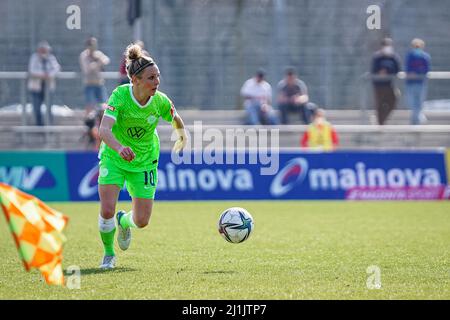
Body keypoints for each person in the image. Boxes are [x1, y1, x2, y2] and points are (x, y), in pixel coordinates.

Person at [97, 43, 187, 269]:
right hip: (114, 157)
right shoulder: (120, 96)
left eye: (158, 76)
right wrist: (119, 148)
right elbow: (104, 130)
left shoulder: (160, 101)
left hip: (145, 160)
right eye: (151, 78)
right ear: (135, 80)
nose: (156, 82)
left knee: (142, 221)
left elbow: (176, 119)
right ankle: (108, 255)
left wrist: (182, 137)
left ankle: (123, 221)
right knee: (107, 208)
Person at [27, 41, 61, 126]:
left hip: (48, 86)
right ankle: (39, 125)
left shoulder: (51, 58)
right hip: (36, 88)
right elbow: (32, 70)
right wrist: (42, 75)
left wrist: (48, 75)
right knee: (37, 107)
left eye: (45, 50)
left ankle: (49, 125)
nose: (43, 52)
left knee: (49, 107)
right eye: (41, 50)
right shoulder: (34, 58)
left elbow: (56, 68)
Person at [370, 37, 401, 125]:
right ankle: (380, 124)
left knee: (393, 101)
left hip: (389, 84)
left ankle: (381, 121)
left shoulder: (393, 57)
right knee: (379, 105)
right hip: (378, 85)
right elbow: (373, 70)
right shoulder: (377, 57)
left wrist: (388, 71)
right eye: (386, 45)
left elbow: (397, 69)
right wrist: (380, 72)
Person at [79, 37, 110, 114]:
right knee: (90, 106)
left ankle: (102, 123)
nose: (94, 46)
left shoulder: (97, 54)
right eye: (92, 44)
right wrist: (97, 63)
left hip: (99, 83)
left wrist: (98, 61)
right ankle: (89, 123)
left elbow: (106, 60)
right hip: (89, 84)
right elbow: (87, 69)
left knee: (104, 105)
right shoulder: (84, 55)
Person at [405, 38, 431, 125]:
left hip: (421, 83)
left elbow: (426, 69)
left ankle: (415, 122)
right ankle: (417, 120)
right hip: (410, 84)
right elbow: (408, 68)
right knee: (412, 103)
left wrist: (416, 72)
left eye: (418, 46)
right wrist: (415, 72)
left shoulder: (425, 57)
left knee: (419, 103)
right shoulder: (409, 56)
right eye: (415, 46)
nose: (417, 48)